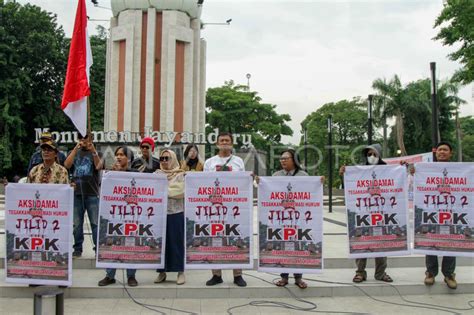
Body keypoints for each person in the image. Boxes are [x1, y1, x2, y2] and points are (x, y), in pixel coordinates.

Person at [339, 144, 393, 283]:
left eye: (375, 154)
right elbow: (349, 187)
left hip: (381, 212)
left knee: (381, 244)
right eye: (369, 154)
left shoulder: (389, 170)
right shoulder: (359, 170)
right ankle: (360, 272)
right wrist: (344, 175)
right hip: (363, 212)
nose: (372, 157)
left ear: (380, 155)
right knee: (362, 242)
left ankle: (380, 273)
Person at [203, 132, 247, 287]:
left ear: (232, 144)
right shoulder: (209, 162)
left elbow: (243, 183)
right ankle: (216, 274)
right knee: (215, 239)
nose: (224, 143)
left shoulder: (239, 161)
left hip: (233, 207)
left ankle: (238, 274)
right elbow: (204, 183)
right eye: (221, 140)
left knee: (236, 238)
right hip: (215, 207)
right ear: (216, 144)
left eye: (227, 140)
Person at [417, 141, 457, 289]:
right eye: (440, 150)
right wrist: (413, 172)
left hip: (451, 211)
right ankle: (430, 273)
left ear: (450, 153)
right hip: (432, 210)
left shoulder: (460, 170)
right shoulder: (426, 169)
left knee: (450, 241)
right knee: (430, 240)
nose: (442, 152)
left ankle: (449, 274)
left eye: (445, 150)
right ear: (436, 152)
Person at [98, 146, 138, 287]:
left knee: (130, 244)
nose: (119, 157)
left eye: (122, 155)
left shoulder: (135, 173)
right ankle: (110, 275)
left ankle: (131, 276)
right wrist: (114, 173)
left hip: (131, 215)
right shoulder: (110, 173)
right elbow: (102, 189)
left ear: (129, 158)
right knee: (112, 244)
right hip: (114, 214)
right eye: (117, 155)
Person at [272, 149, 310, 289]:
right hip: (282, 217)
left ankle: (298, 277)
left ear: (294, 159)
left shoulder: (304, 175)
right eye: (281, 158)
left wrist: (319, 182)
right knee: (283, 245)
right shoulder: (275, 176)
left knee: (297, 245)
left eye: (286, 158)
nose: (282, 160)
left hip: (298, 217)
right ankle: (284, 277)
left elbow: (310, 192)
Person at [64, 133, 103, 258]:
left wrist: (93, 152)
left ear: (91, 139)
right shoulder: (74, 152)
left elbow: (99, 166)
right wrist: (76, 148)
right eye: (81, 138)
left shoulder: (98, 153)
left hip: (92, 193)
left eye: (86, 138)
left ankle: (98, 249)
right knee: (76, 223)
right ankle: (77, 248)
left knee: (95, 223)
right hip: (77, 193)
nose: (83, 140)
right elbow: (67, 165)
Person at [154, 150, 186, 285]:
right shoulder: (156, 174)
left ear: (172, 158)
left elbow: (180, 192)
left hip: (176, 213)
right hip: (160, 214)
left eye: (167, 158)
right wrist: (169, 191)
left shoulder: (180, 174)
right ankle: (162, 272)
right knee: (161, 244)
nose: (164, 161)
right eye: (161, 158)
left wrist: (164, 191)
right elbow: (152, 191)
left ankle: (180, 271)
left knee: (177, 242)